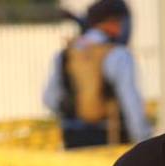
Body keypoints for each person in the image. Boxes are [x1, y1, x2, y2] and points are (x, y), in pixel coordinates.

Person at [42, 0, 150, 149]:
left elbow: (49, 100)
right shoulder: (118, 55)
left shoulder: (66, 54)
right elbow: (132, 106)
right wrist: (145, 143)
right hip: (109, 144)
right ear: (114, 23)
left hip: (72, 142)